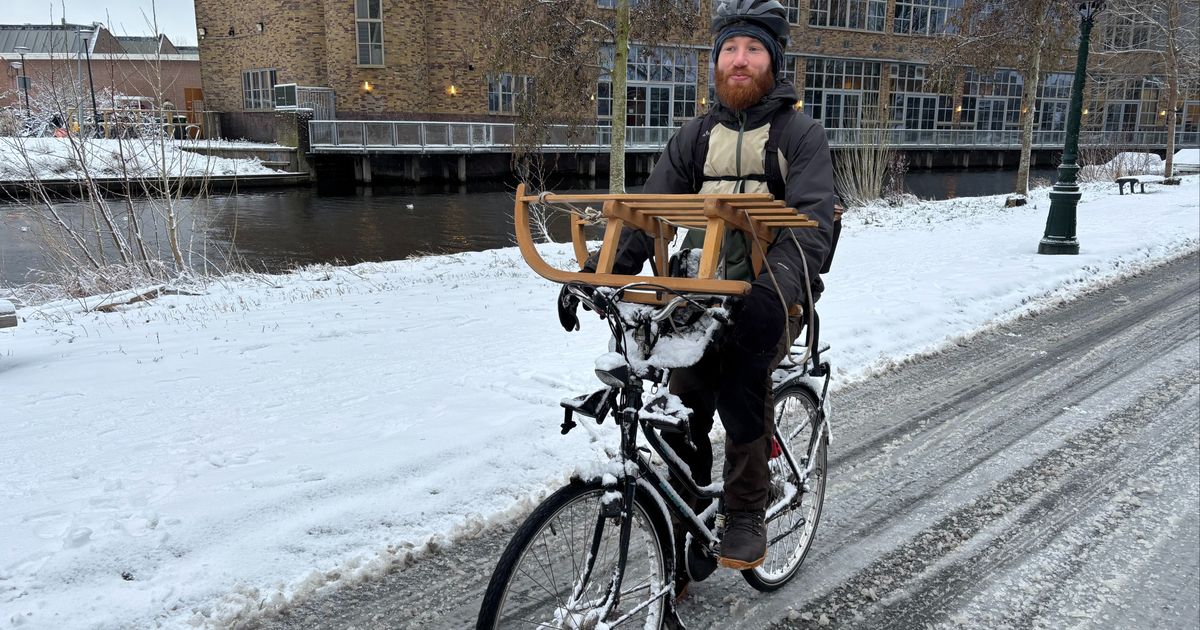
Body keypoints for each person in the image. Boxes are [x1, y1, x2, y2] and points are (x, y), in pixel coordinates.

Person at [558, 0, 837, 588]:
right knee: (681, 397)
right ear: (715, 62)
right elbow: (647, 213)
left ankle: (743, 511)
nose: (739, 61)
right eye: (729, 50)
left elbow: (812, 225)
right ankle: (689, 527)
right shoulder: (696, 135)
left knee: (740, 373)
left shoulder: (798, 134)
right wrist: (598, 272)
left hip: (773, 287)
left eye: (752, 50)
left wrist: (774, 289)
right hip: (700, 283)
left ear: (773, 61)